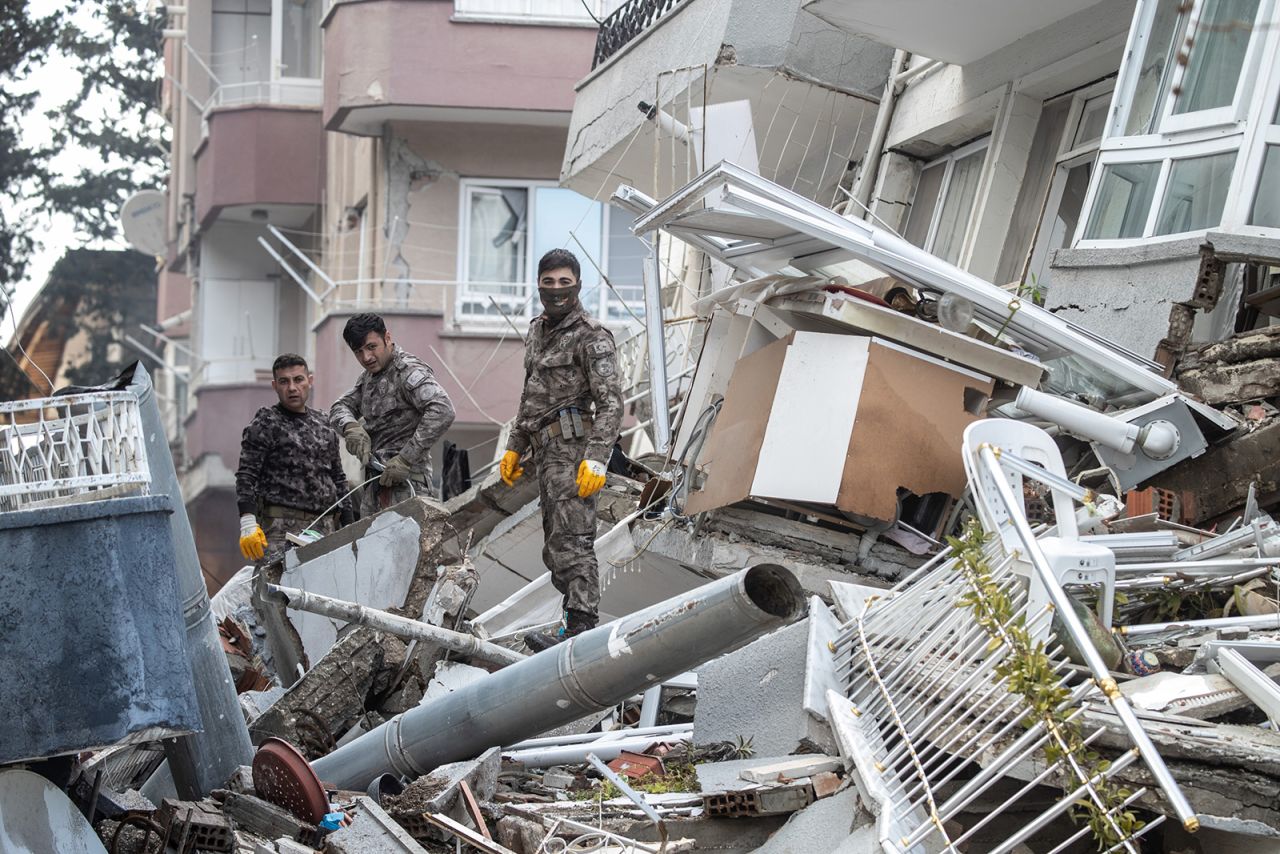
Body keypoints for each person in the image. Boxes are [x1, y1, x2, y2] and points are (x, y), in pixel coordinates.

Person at [500, 249, 623, 651]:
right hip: (544, 451)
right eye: (548, 282)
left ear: (578, 285)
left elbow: (611, 403)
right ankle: (571, 623)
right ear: (538, 285)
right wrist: (514, 446)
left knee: (573, 543)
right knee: (555, 547)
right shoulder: (537, 330)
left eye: (564, 282)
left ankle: (581, 627)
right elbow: (529, 395)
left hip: (573, 451)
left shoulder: (592, 335)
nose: (556, 290)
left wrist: (596, 456)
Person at [330, 313, 456, 515]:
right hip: (375, 487)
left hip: (406, 486)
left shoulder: (406, 370)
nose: (366, 357)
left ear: (387, 338)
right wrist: (351, 428)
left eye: (372, 347)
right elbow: (339, 407)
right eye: (358, 352)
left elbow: (443, 409)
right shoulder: (369, 378)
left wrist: (405, 459)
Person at [236, 354, 352, 562]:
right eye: (284, 381)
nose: (292, 387)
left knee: (324, 593)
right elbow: (246, 475)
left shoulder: (324, 424)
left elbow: (338, 479)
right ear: (275, 385)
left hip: (325, 529)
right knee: (279, 592)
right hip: (280, 530)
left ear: (310, 381)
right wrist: (248, 520)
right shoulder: (266, 422)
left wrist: (350, 525)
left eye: (298, 379)